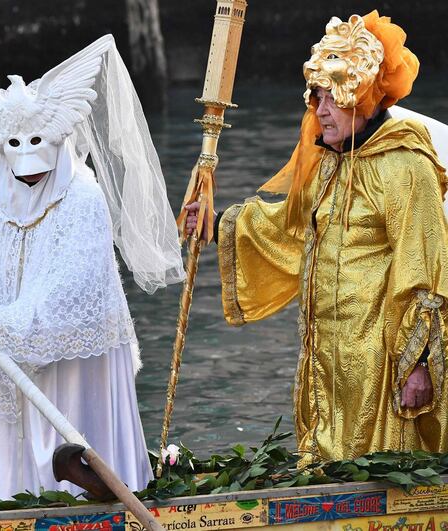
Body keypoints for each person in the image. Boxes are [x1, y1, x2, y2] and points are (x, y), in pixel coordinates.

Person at [0, 35, 184, 498]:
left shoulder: (84, 198)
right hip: (7, 349)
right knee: (14, 453)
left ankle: (89, 498)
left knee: (69, 442)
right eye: (16, 147)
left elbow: (73, 285)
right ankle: (11, 500)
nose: (28, 164)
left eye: (38, 145)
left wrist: (4, 325)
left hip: (70, 360)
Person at [185, 12, 448, 463]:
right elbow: (291, 231)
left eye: (330, 99)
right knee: (326, 457)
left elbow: (426, 268)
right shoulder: (330, 161)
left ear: (360, 96)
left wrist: (419, 363)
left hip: (378, 360)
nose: (319, 111)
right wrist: (215, 224)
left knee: (376, 464)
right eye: (317, 98)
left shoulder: (405, 166)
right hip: (324, 354)